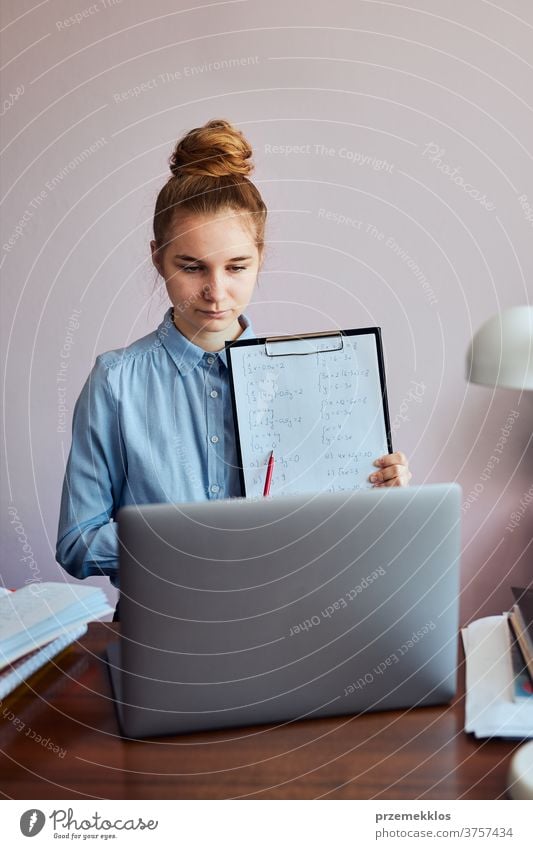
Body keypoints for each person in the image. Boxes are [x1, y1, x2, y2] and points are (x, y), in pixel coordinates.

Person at [55, 118, 412, 620]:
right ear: (157, 259)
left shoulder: (314, 382)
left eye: (237, 267)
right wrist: (191, 540)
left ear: (260, 259)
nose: (216, 292)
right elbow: (77, 543)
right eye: (192, 266)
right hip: (163, 634)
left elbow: (338, 542)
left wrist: (383, 505)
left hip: (289, 625)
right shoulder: (116, 382)